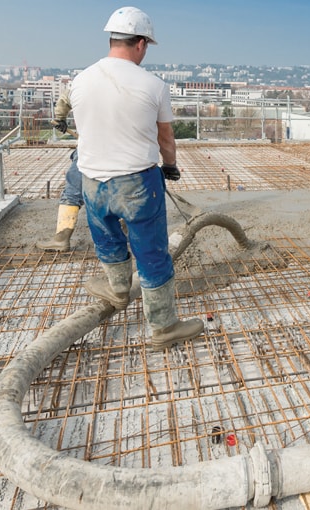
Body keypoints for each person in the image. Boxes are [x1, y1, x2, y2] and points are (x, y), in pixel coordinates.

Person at [70, 6, 203, 350]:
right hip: (137, 183)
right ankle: (163, 326)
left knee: (108, 237)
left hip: (91, 181)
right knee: (151, 252)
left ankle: (117, 289)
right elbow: (166, 139)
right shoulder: (153, 85)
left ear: (112, 39)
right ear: (141, 43)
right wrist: (170, 166)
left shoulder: (80, 79)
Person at [36, 92, 82, 252]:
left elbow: (64, 99)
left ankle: (61, 239)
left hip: (90, 150)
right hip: (125, 152)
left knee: (72, 192)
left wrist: (60, 118)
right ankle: (124, 238)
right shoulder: (135, 83)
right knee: (118, 192)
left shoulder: (86, 81)